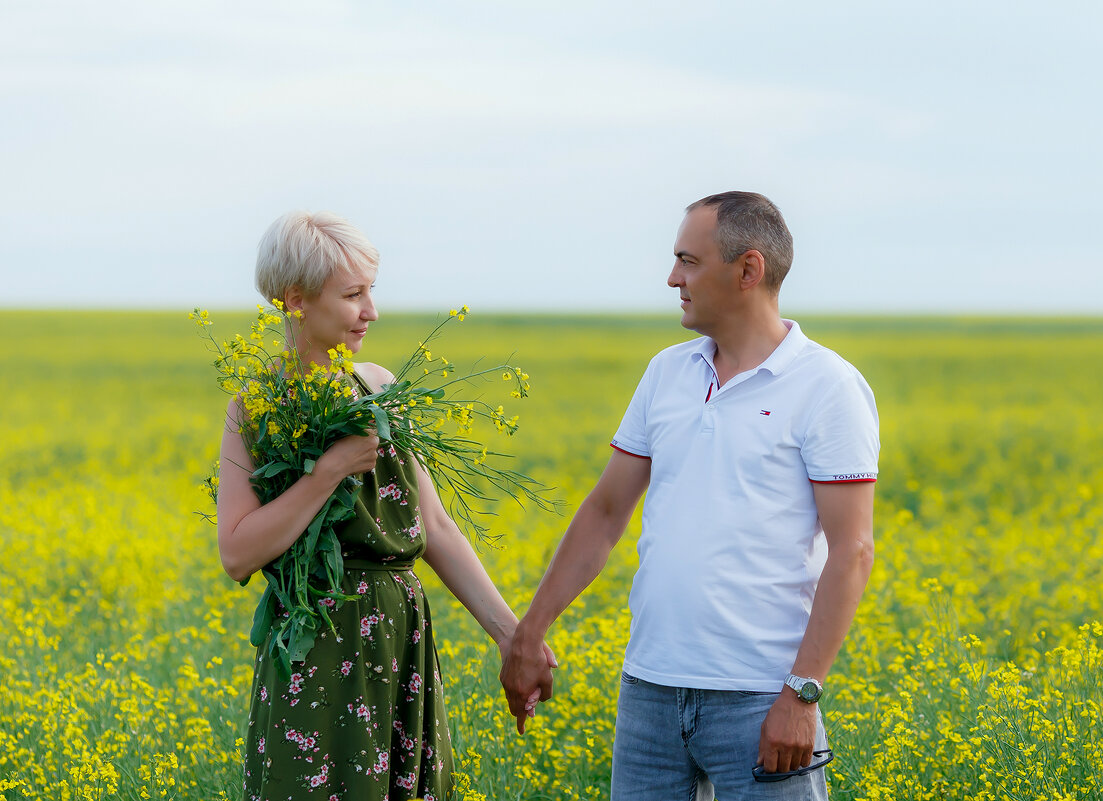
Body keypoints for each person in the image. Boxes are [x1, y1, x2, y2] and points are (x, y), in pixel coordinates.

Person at [499, 191, 879, 799]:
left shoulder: (828, 386)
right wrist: (530, 631)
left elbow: (852, 550)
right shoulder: (666, 373)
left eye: (689, 261)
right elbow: (603, 514)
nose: (672, 278)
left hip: (760, 699)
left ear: (748, 270)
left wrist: (801, 695)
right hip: (648, 692)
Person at [217, 210, 555, 801]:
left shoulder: (379, 387)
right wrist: (327, 473)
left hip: (396, 636)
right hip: (315, 640)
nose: (371, 311)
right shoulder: (258, 406)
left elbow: (437, 528)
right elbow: (238, 553)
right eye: (353, 295)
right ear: (295, 300)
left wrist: (510, 636)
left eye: (371, 291)